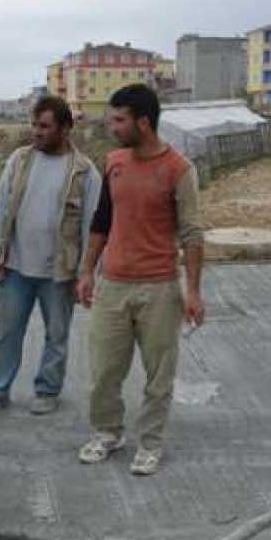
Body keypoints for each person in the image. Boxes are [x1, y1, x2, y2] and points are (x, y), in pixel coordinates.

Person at [76, 84, 205, 476]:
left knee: (158, 376)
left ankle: (150, 443)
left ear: (143, 123)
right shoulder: (114, 162)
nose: (112, 127)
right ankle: (107, 432)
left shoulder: (179, 170)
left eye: (119, 120)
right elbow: (101, 222)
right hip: (113, 285)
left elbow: (192, 234)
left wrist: (193, 291)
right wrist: (87, 271)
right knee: (103, 371)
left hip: (159, 288)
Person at [0, 95, 101, 417]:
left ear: (65, 128)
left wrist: (86, 272)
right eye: (33, 125)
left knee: (56, 335)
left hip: (59, 272)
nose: (36, 132)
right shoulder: (19, 161)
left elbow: (92, 226)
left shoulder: (84, 172)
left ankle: (47, 390)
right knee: (5, 333)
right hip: (16, 267)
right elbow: (1, 206)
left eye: (44, 126)